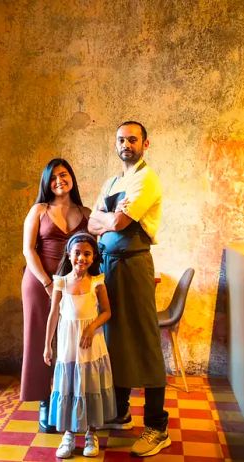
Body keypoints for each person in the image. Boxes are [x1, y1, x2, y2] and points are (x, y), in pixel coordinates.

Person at [88, 121, 169, 457]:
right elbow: (92, 222)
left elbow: (118, 223)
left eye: (132, 139)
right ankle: (120, 411)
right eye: (121, 139)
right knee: (114, 339)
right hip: (109, 265)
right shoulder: (113, 181)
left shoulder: (147, 178)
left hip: (134, 264)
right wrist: (109, 216)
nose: (126, 144)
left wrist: (108, 218)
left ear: (145, 144)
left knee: (144, 341)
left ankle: (156, 426)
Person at [21, 158, 91, 432]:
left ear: (71, 177)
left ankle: (70, 400)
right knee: (41, 340)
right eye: (53, 178)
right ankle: (44, 402)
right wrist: (49, 284)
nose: (59, 181)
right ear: (46, 183)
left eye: (63, 175)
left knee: (70, 342)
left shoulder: (86, 212)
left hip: (74, 287)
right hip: (40, 284)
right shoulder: (39, 210)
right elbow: (28, 250)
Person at [43, 232, 115, 458]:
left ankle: (91, 433)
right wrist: (47, 345)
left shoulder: (97, 282)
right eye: (77, 253)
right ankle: (68, 434)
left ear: (93, 258)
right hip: (68, 346)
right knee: (69, 386)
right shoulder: (61, 282)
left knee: (90, 385)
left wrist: (91, 327)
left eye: (87, 254)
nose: (81, 258)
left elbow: (107, 312)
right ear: (68, 254)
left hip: (91, 345)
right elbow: (54, 314)